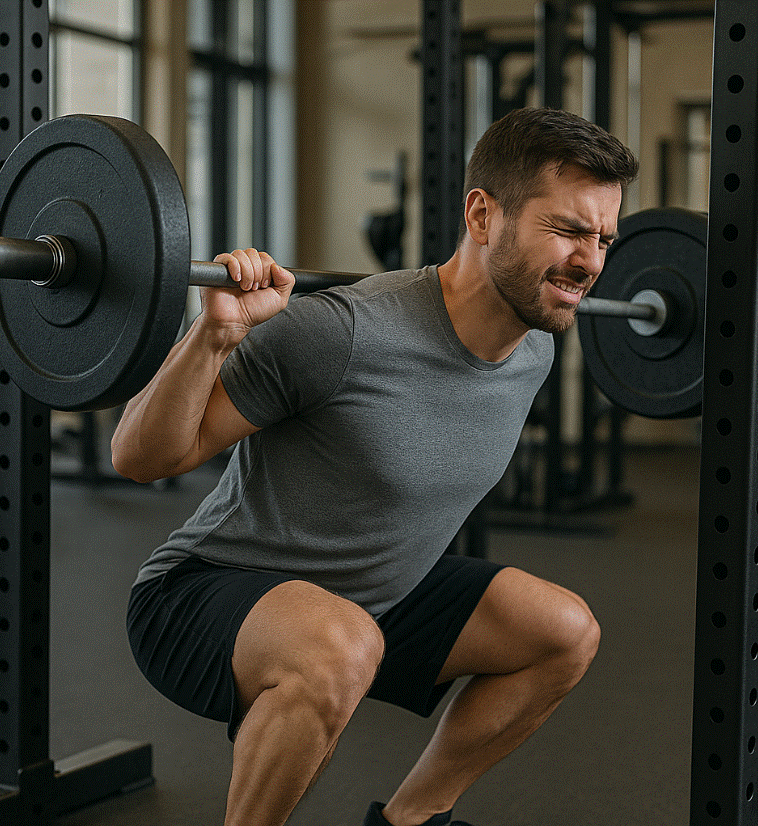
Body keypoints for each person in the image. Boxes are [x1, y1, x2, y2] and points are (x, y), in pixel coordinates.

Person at [112, 106, 638, 826]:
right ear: (482, 216)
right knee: (340, 644)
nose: (591, 262)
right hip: (204, 594)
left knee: (563, 631)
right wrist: (213, 335)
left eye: (604, 239)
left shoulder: (536, 347)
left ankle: (410, 821)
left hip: (374, 599)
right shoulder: (341, 333)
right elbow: (140, 457)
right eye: (569, 230)